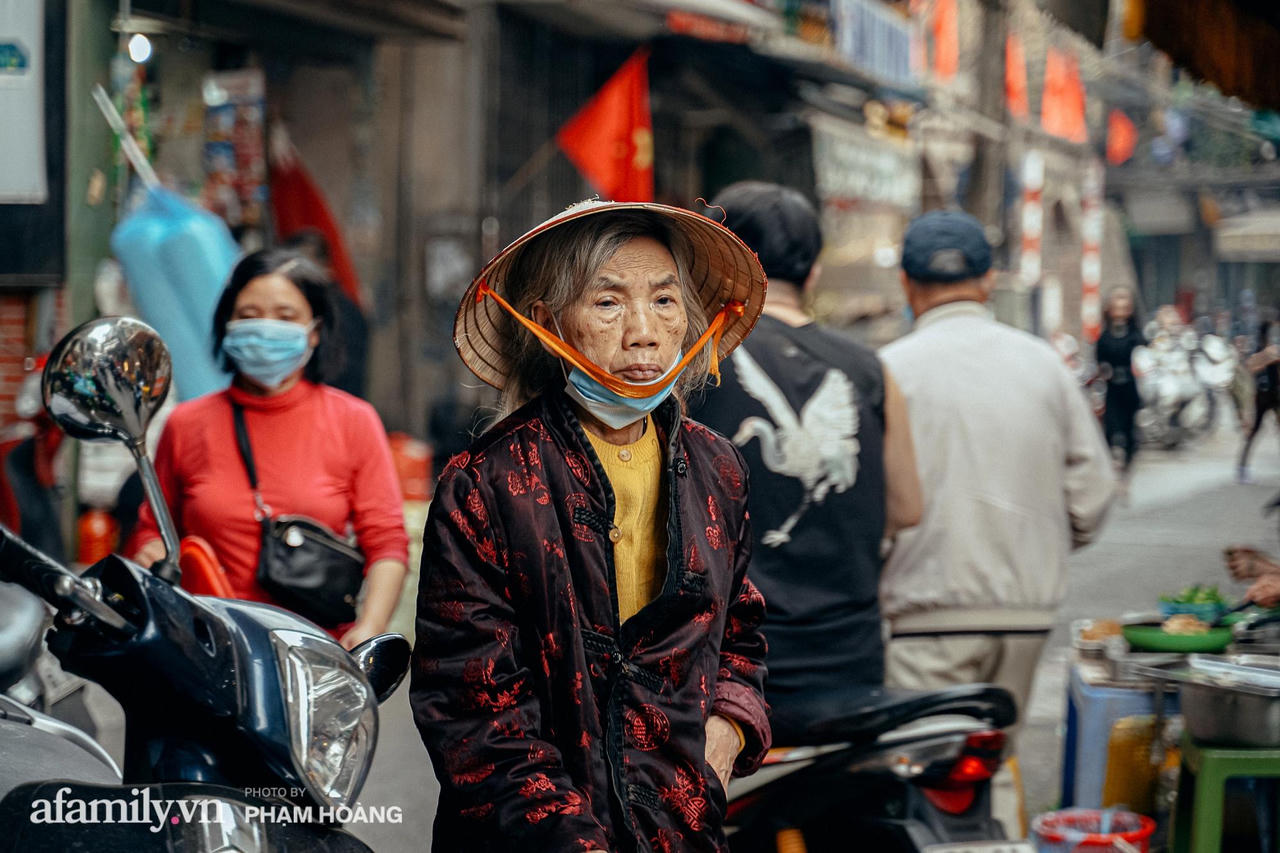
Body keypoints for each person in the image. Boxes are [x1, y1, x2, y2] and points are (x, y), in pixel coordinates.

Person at [410, 201, 771, 852]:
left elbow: (738, 636)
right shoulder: (487, 486)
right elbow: (473, 708)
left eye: (664, 300)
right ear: (548, 322)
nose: (643, 331)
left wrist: (729, 726)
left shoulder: (719, 469)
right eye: (607, 303)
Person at [878, 210, 1115, 835]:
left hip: (922, 618)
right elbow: (1092, 496)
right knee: (992, 762)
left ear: (907, 284)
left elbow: (871, 509)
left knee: (921, 778)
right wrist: (1038, 544)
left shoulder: (888, 368)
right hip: (1025, 616)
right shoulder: (1045, 365)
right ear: (987, 281)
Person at [688, 181, 922, 742]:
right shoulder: (870, 368)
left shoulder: (692, 364)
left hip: (727, 673)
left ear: (720, 266)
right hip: (849, 663)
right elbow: (907, 508)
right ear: (813, 273)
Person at [129, 249, 409, 649]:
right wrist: (150, 549)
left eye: (285, 316)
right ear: (227, 325)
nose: (265, 328)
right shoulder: (186, 424)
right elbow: (151, 527)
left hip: (313, 652)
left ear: (314, 331)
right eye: (249, 314)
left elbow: (386, 543)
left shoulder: (354, 420)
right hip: (205, 646)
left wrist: (370, 626)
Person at [1095, 287, 1147, 490]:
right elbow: (1099, 360)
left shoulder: (1136, 336)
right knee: (1109, 431)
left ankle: (1125, 474)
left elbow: (1144, 358)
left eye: (1125, 302)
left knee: (1129, 432)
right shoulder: (1105, 337)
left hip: (1130, 388)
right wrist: (1104, 371)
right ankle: (1109, 473)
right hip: (1112, 389)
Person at [1238, 318, 1280, 483]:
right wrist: (1267, 357)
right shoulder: (1261, 350)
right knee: (1254, 431)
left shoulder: (1275, 349)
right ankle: (1243, 467)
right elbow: (1250, 366)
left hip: (1276, 395)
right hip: (1262, 397)